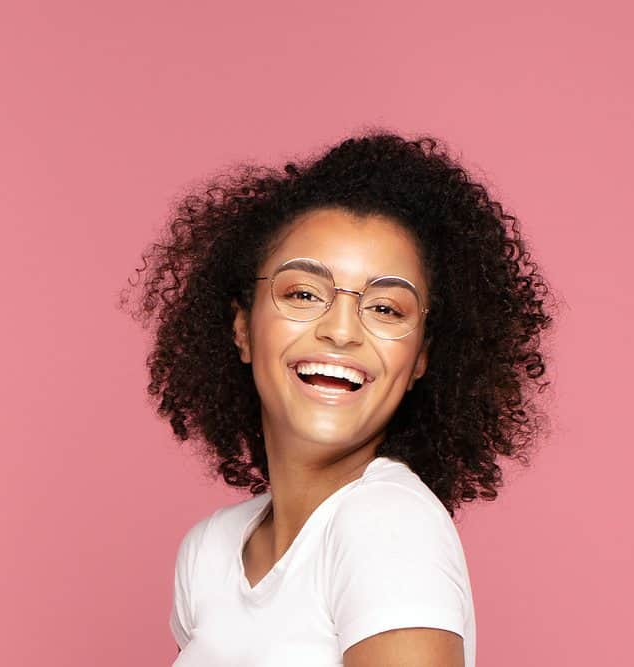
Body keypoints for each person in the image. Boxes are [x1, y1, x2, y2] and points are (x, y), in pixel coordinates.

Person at [121, 131, 558, 666]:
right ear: (242, 327)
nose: (343, 331)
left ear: (421, 357)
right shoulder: (209, 553)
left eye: (386, 309)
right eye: (304, 294)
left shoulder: (388, 524)